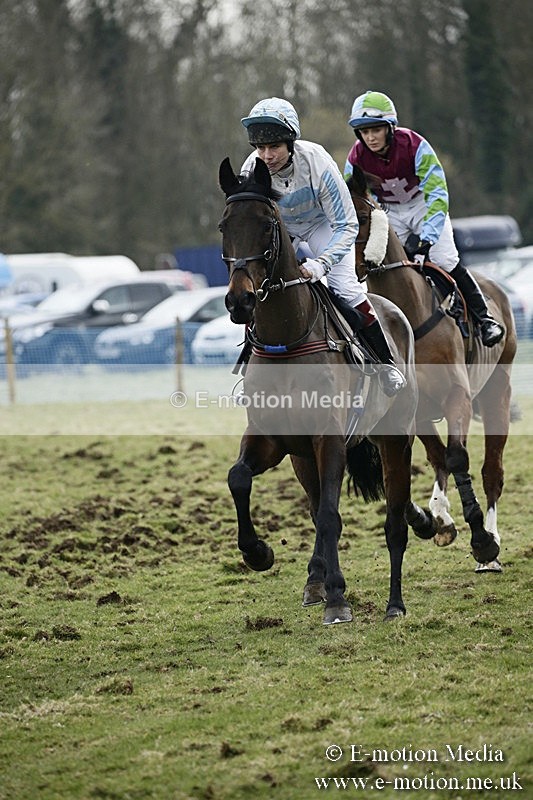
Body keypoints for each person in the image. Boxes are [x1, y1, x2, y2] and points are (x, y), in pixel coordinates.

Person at [240, 96, 406, 396]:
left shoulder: (318, 163)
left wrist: (321, 263)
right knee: (259, 286)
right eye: (260, 148)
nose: (266, 155)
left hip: (324, 225)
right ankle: (249, 367)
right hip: (283, 230)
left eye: (274, 147)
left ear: (291, 143)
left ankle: (385, 364)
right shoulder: (251, 168)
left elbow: (346, 225)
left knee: (346, 287)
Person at [344, 90, 504, 347]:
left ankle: (485, 319)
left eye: (376, 130)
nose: (370, 137)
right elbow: (350, 196)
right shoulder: (355, 158)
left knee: (444, 258)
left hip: (424, 206)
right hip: (389, 212)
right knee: (377, 266)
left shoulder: (415, 145)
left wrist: (427, 237)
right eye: (364, 132)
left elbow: (437, 193)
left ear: (390, 127)